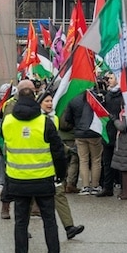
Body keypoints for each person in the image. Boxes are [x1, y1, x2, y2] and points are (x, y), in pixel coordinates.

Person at [2, 82, 71, 253]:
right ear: (35, 97)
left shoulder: (7, 122)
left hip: (17, 179)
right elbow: (58, 151)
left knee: (20, 223)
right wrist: (61, 174)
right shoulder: (44, 122)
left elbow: (6, 146)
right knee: (49, 221)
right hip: (43, 179)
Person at [39, 92, 85, 240]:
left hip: (51, 164)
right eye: (46, 101)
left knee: (59, 194)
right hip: (35, 166)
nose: (50, 104)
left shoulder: (54, 118)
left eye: (51, 101)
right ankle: (22, 228)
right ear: (39, 103)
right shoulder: (35, 121)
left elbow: (55, 141)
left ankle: (69, 227)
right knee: (30, 198)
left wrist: (67, 150)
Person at [65, 89, 104, 195]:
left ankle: (85, 187)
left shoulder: (73, 99)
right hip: (95, 133)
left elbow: (67, 118)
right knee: (96, 160)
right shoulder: (97, 98)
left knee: (83, 160)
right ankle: (95, 186)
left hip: (79, 133)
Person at [97, 72, 123, 197]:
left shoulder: (122, 96)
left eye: (111, 78)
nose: (109, 80)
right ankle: (108, 187)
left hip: (119, 132)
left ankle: (124, 188)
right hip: (107, 132)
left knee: (121, 162)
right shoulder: (107, 95)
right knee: (106, 162)